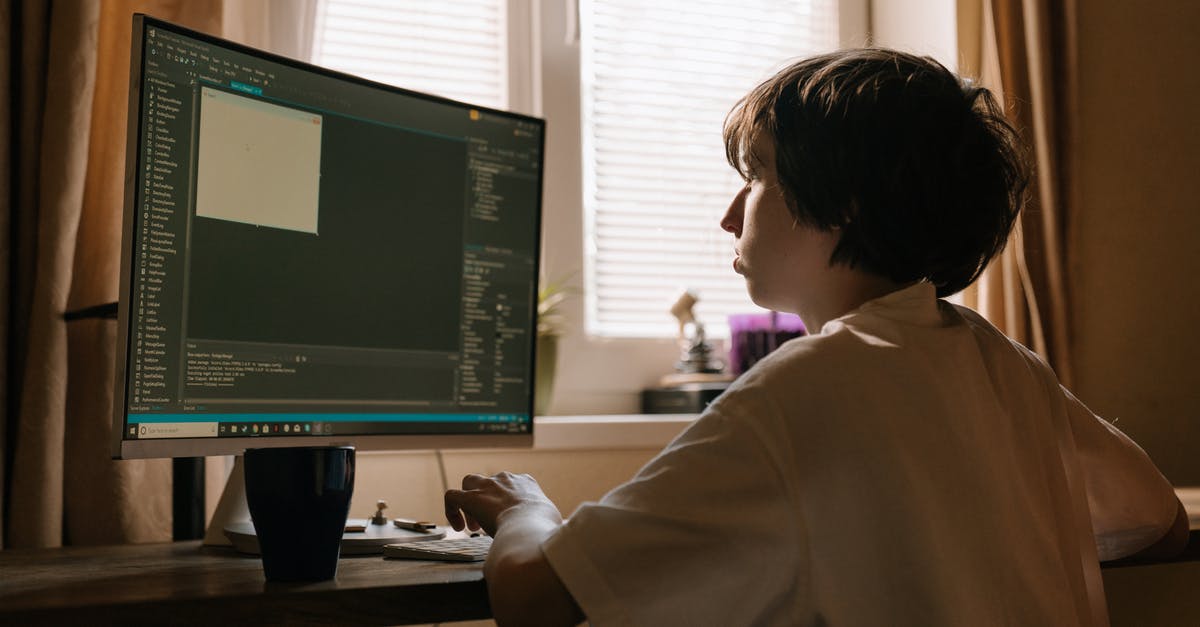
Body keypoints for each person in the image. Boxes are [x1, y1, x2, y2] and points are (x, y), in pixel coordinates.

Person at [444, 48, 1188, 626]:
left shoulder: (804, 387)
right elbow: (1161, 519)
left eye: (757, 174)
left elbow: (534, 598)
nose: (731, 215)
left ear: (847, 203)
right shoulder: (1002, 360)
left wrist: (525, 509)